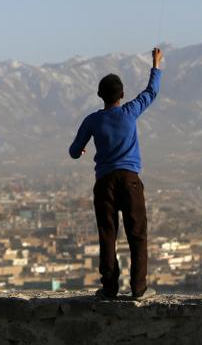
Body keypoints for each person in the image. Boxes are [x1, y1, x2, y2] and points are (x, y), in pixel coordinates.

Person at [69, 47, 162, 299]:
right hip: (130, 181)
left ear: (100, 95)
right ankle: (139, 288)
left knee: (107, 235)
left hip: (105, 184)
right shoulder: (130, 111)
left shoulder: (92, 121)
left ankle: (109, 288)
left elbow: (74, 151)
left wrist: (84, 149)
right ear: (122, 94)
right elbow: (151, 92)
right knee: (137, 235)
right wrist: (156, 66)